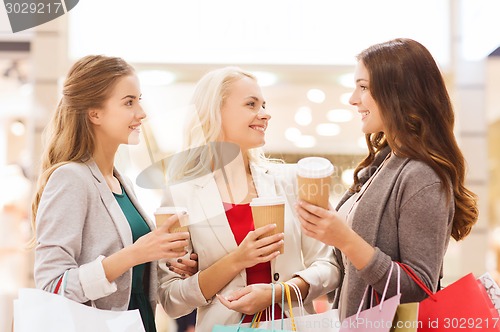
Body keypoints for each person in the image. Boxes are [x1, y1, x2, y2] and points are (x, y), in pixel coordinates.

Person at [296, 38, 479, 320]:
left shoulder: (421, 174)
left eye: (364, 87)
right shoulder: (383, 163)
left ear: (398, 93)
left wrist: (346, 239)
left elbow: (418, 288)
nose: (353, 99)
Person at [157, 66, 341, 331]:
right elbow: (171, 299)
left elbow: (330, 265)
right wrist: (237, 260)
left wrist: (279, 292)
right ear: (215, 112)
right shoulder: (181, 194)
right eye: (251, 104)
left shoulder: (291, 181)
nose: (265, 115)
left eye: (263, 105)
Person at [31, 55, 197, 332]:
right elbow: (52, 285)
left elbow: (133, 274)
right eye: (129, 102)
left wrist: (168, 263)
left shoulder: (121, 183)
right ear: (94, 113)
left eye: (139, 100)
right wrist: (134, 254)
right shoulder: (70, 178)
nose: (141, 112)